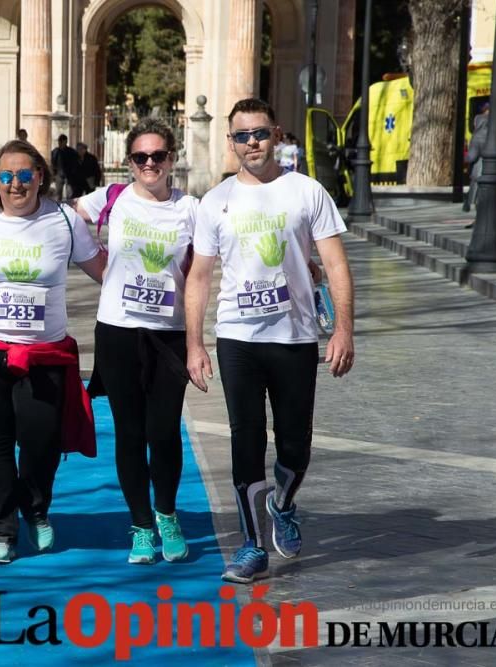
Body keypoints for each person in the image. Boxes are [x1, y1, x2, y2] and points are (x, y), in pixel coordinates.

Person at [184, 98, 355, 584]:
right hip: (237, 337)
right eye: (242, 136)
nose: (252, 143)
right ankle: (252, 547)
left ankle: (282, 502)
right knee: (245, 441)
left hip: (295, 336)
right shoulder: (215, 201)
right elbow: (198, 277)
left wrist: (343, 328)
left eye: (259, 133)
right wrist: (194, 343)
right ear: (231, 141)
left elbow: (337, 264)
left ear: (275, 134)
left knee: (295, 446)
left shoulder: (306, 192)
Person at [0, 139, 105, 564]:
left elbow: (107, 272)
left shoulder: (64, 221)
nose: (15, 184)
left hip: (43, 353)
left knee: (40, 439)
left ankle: (36, 507)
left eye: (25, 175)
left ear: (41, 177)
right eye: (6, 176)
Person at [75, 118, 197, 564]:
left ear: (171, 159)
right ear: (129, 162)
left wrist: (304, 260)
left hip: (169, 334)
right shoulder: (111, 198)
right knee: (129, 433)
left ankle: (167, 514)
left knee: (163, 431)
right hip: (118, 332)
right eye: (140, 157)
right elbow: (60, 218)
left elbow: (218, 255)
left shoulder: (191, 208)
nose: (150, 164)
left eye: (158, 156)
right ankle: (142, 526)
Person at [463, 103, 496, 213]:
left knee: (482, 195)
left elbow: (472, 157)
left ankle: (482, 218)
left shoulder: (479, 136)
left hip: (483, 170)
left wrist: (465, 158)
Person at [51, 134, 83, 200]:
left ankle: (69, 207)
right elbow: (53, 163)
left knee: (70, 193)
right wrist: (54, 174)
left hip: (69, 175)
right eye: (60, 142)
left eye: (62, 141)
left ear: (65, 142)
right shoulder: (55, 151)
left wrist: (73, 172)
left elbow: (76, 162)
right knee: (58, 193)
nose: (61, 143)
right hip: (59, 175)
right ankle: (58, 207)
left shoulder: (71, 151)